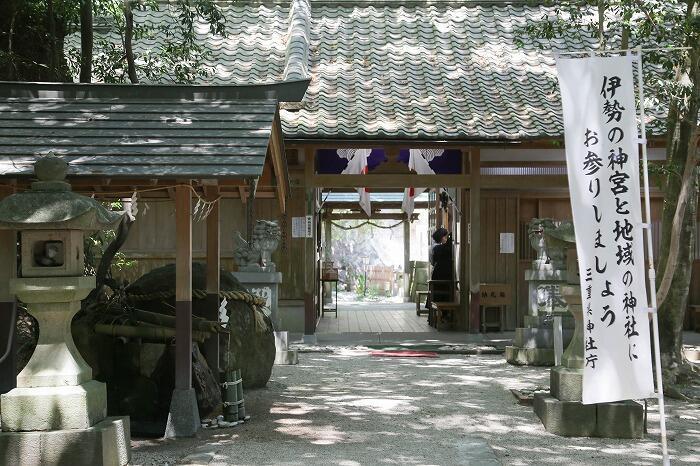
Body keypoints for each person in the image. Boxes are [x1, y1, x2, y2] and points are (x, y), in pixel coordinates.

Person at [426, 227, 453, 313]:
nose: (446, 239)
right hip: (441, 273)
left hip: (437, 272)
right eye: (445, 237)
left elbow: (432, 262)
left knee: (436, 293)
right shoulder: (437, 248)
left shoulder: (434, 247)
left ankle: (436, 314)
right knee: (440, 294)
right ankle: (441, 314)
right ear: (442, 237)